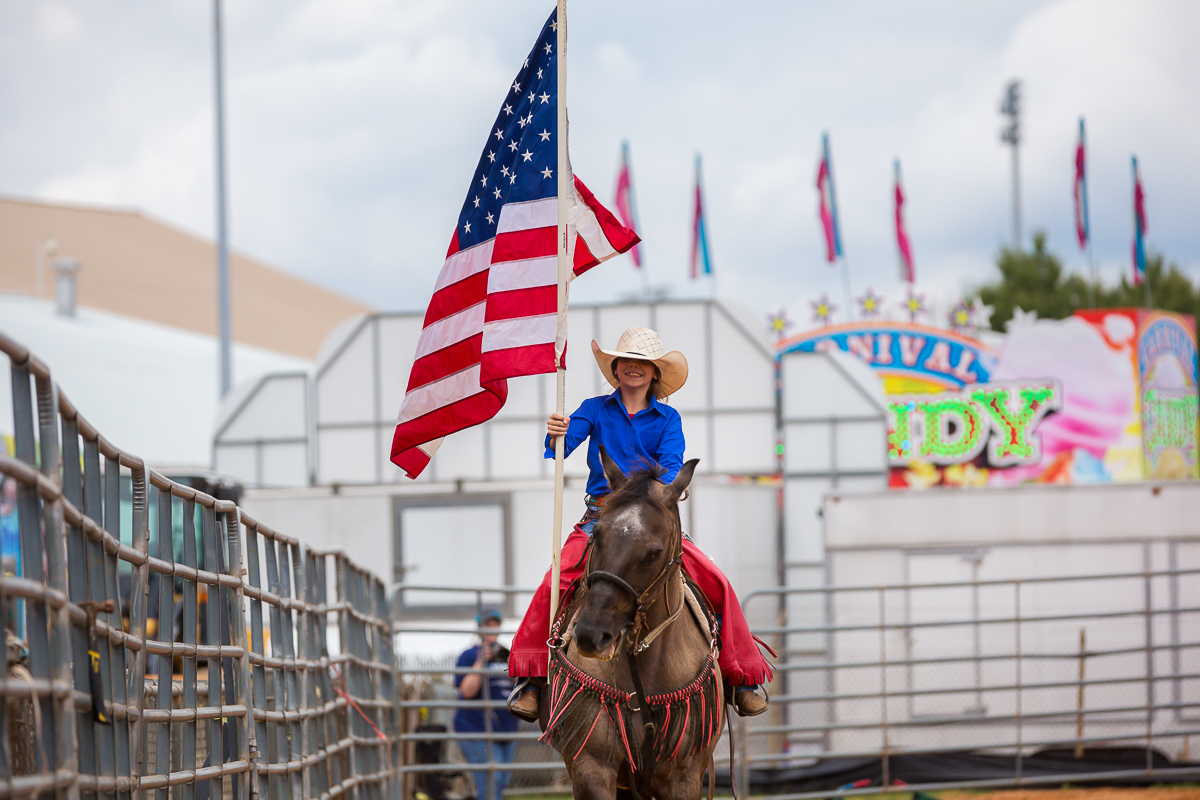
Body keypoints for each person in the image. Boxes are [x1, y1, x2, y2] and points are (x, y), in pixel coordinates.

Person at [507, 327, 772, 720]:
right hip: (602, 514)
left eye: (642, 364)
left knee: (717, 582)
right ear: (615, 368)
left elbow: (670, 464)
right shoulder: (594, 408)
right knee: (553, 582)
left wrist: (650, 498)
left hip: (652, 516)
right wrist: (557, 433)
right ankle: (532, 680)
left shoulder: (668, 418)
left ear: (653, 373)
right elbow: (564, 444)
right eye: (626, 361)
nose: (633, 368)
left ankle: (740, 679)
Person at [454, 609, 519, 800]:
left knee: (501, 782)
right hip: (477, 729)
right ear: (479, 627)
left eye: (495, 624)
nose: (492, 628)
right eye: (487, 624)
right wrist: (481, 662)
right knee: (491, 784)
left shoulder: (505, 653)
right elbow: (467, 691)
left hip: (505, 730)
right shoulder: (469, 655)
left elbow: (517, 687)